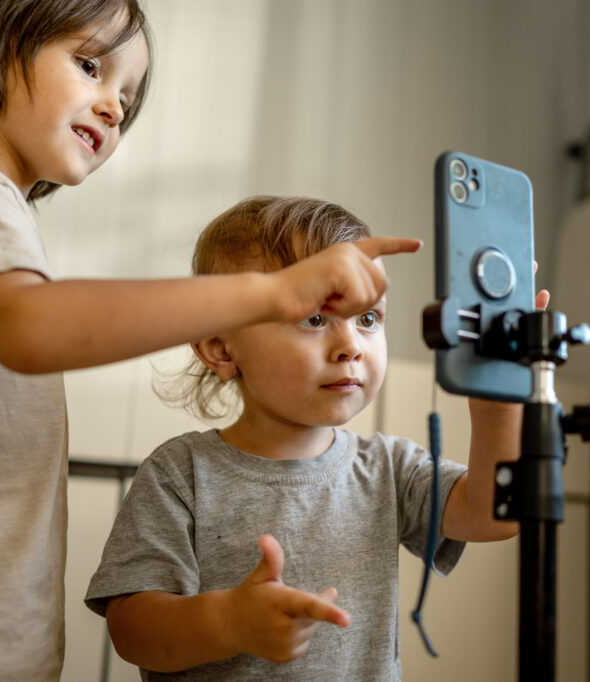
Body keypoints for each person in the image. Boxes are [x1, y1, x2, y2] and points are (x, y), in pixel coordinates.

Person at [0, 2, 420, 679]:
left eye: (126, 101)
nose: (113, 108)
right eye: (89, 66)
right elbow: (30, 327)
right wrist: (273, 294)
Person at [85, 195, 550, 680]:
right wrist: (230, 622)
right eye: (314, 318)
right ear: (221, 347)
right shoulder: (180, 474)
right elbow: (130, 630)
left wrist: (498, 399)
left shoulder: (389, 469)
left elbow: (494, 514)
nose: (351, 345)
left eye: (368, 319)